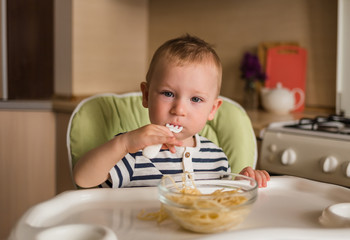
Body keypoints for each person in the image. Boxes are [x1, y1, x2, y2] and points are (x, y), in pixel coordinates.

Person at [73, 34, 270, 189]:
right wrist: (123, 144)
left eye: (195, 99)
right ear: (147, 96)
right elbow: (83, 179)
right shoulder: (133, 151)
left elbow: (224, 201)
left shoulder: (216, 157)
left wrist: (245, 181)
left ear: (212, 109)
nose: (179, 109)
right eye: (168, 93)